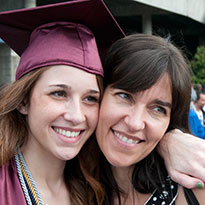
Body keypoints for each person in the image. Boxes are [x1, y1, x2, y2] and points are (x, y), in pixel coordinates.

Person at [0, 0, 124, 204]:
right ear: (23, 101)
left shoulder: (99, 189)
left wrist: (170, 142)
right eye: (58, 93)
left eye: (90, 98)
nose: (76, 116)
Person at [96, 34, 205, 204]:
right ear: (99, 94)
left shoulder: (192, 191)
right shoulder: (67, 181)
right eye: (124, 96)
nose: (134, 123)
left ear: (170, 120)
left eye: (157, 109)